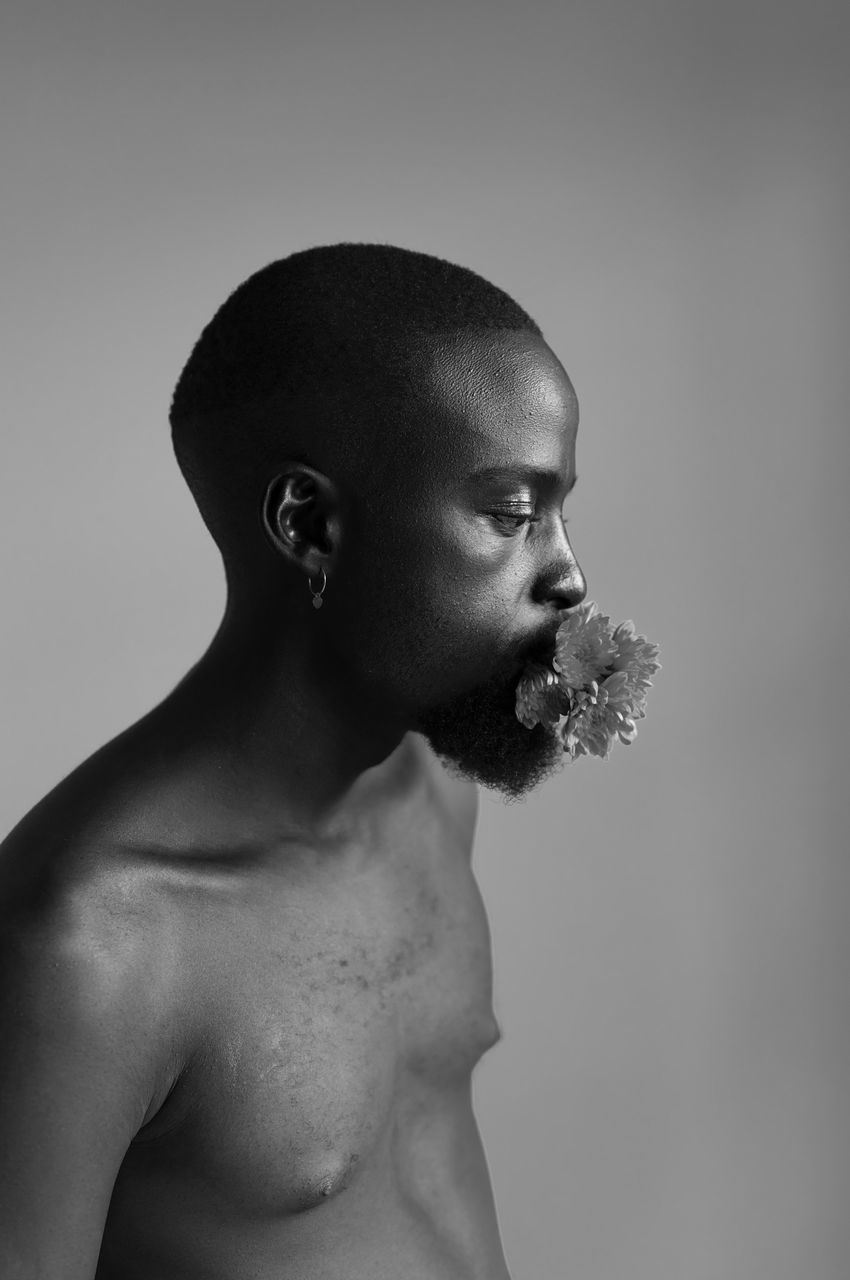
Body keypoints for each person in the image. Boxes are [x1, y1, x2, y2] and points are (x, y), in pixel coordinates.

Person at [0, 243, 586, 1279]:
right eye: (511, 513)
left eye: (558, 510)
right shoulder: (86, 940)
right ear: (309, 523)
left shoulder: (436, 791)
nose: (568, 575)